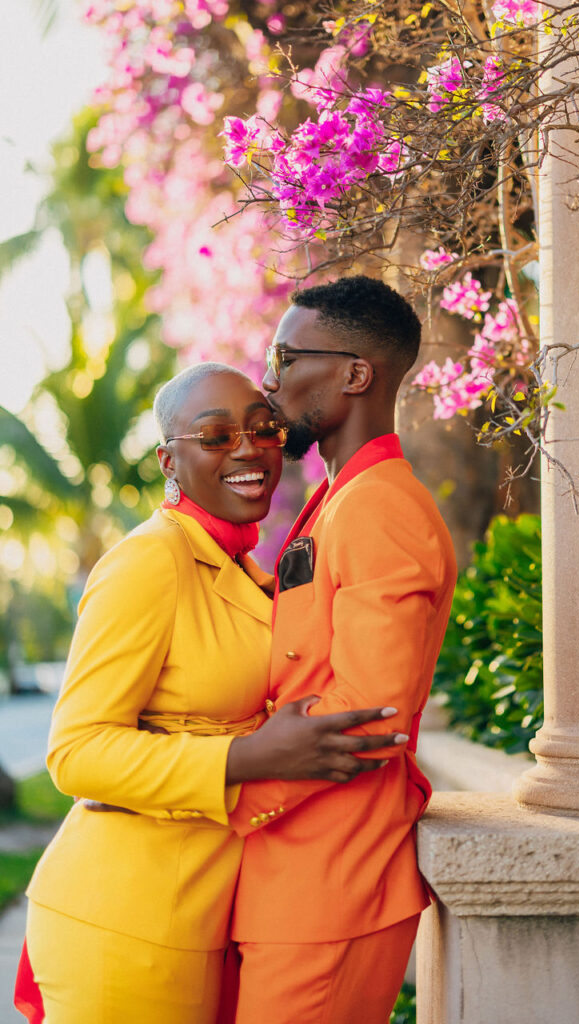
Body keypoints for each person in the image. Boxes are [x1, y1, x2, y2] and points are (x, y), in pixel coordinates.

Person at [17, 363, 405, 1024]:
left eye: (262, 430)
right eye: (216, 436)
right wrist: (251, 757)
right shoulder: (149, 562)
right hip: (125, 920)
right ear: (169, 459)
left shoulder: (247, 570)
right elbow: (76, 752)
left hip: (199, 915)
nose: (248, 449)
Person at [226, 276, 458, 1024]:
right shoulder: (339, 499)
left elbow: (367, 712)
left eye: (286, 357)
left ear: (355, 375)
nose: (269, 380)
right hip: (295, 877)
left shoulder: (381, 505)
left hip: (333, 886)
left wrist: (219, 794)